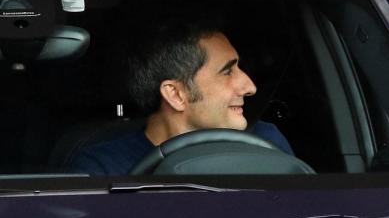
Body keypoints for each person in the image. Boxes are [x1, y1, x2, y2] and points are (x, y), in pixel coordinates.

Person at [70, 20, 292, 175]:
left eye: (239, 68)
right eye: (227, 72)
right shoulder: (103, 168)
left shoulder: (266, 142)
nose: (250, 87)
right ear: (176, 94)